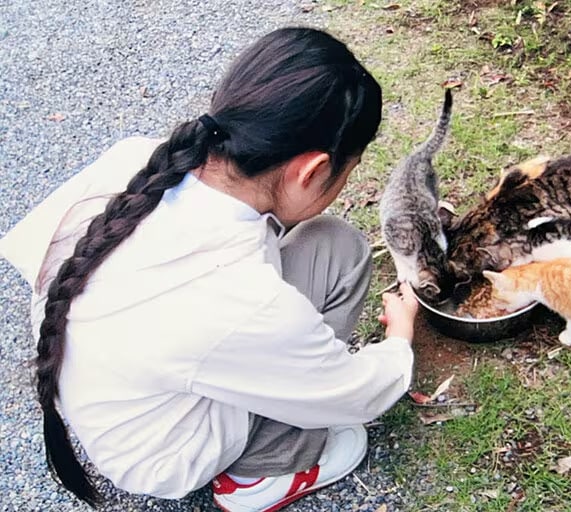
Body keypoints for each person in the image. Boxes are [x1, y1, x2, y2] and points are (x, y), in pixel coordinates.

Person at [0, 27, 419, 512]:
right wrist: (400, 340)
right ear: (311, 170)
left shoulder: (139, 159)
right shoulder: (244, 300)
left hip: (113, 402)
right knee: (332, 286)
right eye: (348, 173)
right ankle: (266, 471)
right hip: (165, 454)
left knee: (333, 246)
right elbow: (357, 396)